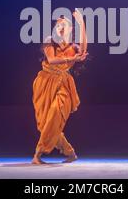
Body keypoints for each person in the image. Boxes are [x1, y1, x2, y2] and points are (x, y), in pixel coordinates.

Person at [32, 10, 88, 164]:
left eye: (64, 25)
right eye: (58, 25)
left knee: (56, 112)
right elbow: (51, 59)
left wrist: (81, 23)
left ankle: (38, 153)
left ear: (70, 29)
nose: (61, 28)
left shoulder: (73, 47)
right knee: (45, 122)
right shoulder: (50, 41)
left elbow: (83, 50)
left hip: (64, 84)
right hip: (44, 83)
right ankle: (70, 152)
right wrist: (71, 58)